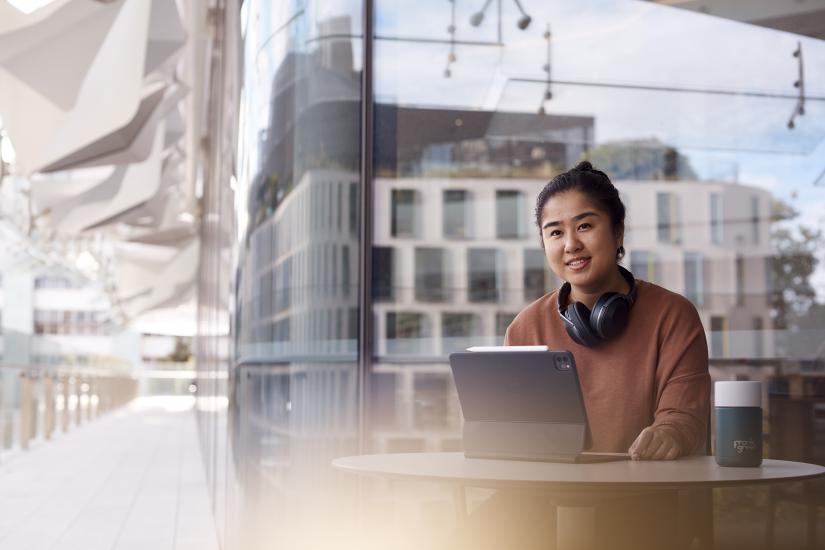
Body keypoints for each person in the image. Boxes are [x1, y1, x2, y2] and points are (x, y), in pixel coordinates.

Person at [504, 160, 710, 459]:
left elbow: (683, 417)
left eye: (585, 226)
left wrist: (668, 434)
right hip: (550, 497)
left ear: (618, 232)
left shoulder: (673, 315)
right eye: (555, 233)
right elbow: (511, 431)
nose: (571, 244)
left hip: (645, 491)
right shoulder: (525, 328)